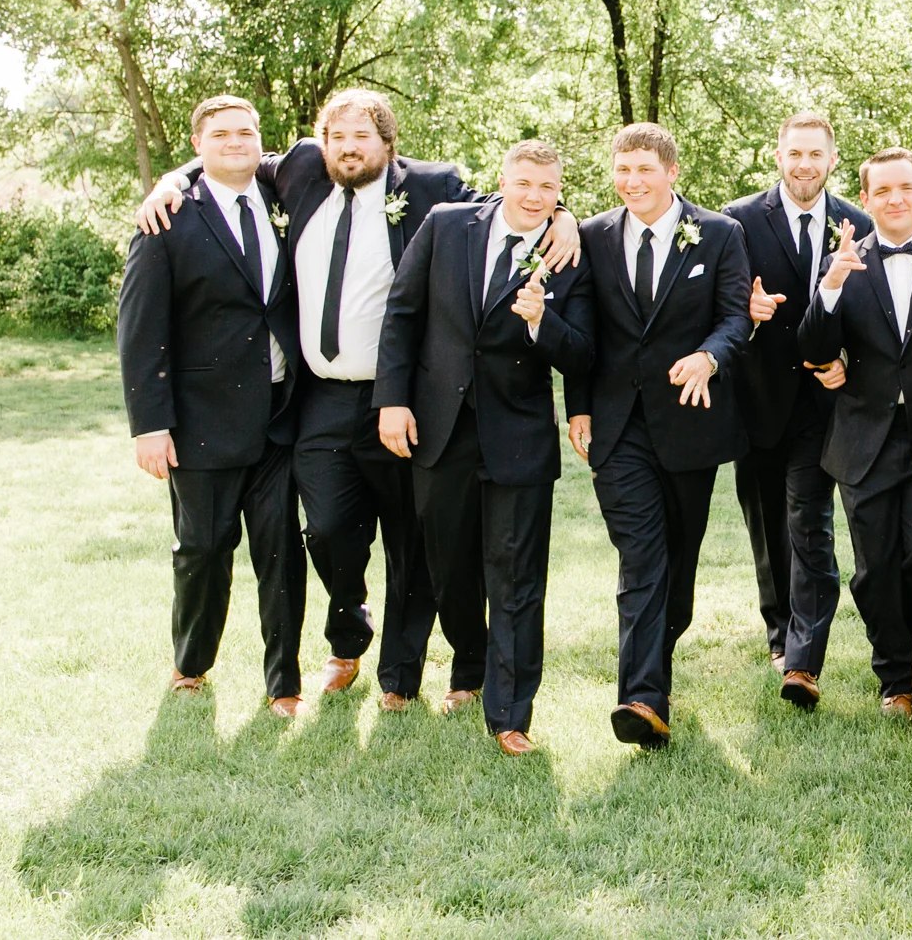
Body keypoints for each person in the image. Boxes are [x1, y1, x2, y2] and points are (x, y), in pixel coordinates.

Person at [130, 90, 580, 709]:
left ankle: (400, 674)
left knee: (412, 540)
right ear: (320, 144)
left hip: (404, 398)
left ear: (388, 145)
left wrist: (567, 217)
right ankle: (348, 632)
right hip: (319, 397)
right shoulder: (298, 172)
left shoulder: (432, 186)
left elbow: (514, 209)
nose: (348, 148)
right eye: (336, 137)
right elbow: (223, 160)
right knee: (328, 529)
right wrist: (169, 186)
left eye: (362, 137)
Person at [373, 140, 593, 754]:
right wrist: (392, 399)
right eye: (524, 183)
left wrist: (540, 323)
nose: (534, 197)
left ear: (559, 192)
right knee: (449, 567)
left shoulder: (569, 254)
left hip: (517, 434)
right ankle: (468, 663)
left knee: (517, 576)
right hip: (438, 428)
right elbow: (402, 312)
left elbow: (582, 351)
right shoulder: (446, 225)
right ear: (503, 180)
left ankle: (511, 713)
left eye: (548, 189)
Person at [564, 124, 752, 748]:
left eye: (645, 170)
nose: (632, 182)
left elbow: (733, 318)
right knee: (641, 556)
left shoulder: (721, 233)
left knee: (680, 557)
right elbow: (583, 329)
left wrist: (709, 356)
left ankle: (658, 657)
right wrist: (580, 407)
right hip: (617, 429)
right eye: (623, 170)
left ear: (672, 172)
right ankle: (641, 698)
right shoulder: (590, 235)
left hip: (688, 423)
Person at [118, 95, 307, 715]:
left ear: (260, 141)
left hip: (281, 417)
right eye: (221, 134)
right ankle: (191, 664)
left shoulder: (284, 197)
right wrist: (150, 425)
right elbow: (141, 329)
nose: (235, 142)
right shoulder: (167, 218)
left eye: (246, 133)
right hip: (201, 423)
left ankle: (284, 684)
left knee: (281, 554)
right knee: (202, 549)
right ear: (197, 146)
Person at [795, 148, 912, 716]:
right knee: (875, 565)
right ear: (865, 200)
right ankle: (894, 676)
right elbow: (814, 349)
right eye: (882, 191)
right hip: (863, 438)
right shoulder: (844, 260)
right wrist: (832, 287)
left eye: (905, 188)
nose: (895, 199)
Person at [724, 113, 873, 705]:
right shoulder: (737, 220)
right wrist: (747, 311)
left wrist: (848, 364)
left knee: (809, 524)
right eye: (795, 153)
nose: (805, 164)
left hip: (823, 403)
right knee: (766, 525)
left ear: (832, 159)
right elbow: (720, 303)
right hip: (757, 398)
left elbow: (871, 317)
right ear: (778, 156)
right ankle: (778, 628)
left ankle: (804, 660)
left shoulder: (858, 225)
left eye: (816, 154)